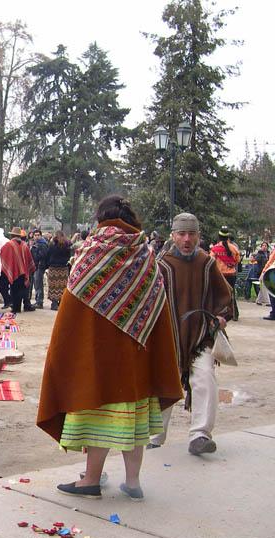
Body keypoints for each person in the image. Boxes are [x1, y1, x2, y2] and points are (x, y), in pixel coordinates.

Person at [36, 195, 182, 500]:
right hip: (136, 361)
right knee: (134, 423)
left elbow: (71, 310)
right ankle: (133, 482)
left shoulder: (93, 252)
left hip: (97, 358)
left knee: (97, 417)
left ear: (101, 219)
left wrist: (65, 353)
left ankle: (90, 480)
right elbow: (158, 309)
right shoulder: (145, 255)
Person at [148, 213, 234, 455]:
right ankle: (154, 437)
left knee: (205, 378)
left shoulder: (207, 264)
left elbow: (225, 297)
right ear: (173, 235)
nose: (187, 239)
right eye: (182, 234)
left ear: (198, 236)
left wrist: (221, 316)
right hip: (168, 338)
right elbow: (147, 301)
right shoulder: (161, 265)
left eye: (192, 234)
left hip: (200, 337)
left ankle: (200, 435)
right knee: (163, 385)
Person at [0, 227, 35, 313]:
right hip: (23, 271)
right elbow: (29, 259)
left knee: (4, 285)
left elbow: (2, 253)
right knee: (19, 289)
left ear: (12, 235)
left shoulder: (8, 245)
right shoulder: (25, 245)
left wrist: (8, 267)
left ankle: (10, 302)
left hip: (11, 270)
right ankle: (16, 307)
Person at [210, 226, 241, 320]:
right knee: (231, 294)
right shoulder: (234, 248)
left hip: (220, 275)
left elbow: (211, 261)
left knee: (218, 295)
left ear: (219, 237)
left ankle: (219, 314)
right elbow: (237, 260)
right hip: (231, 275)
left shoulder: (214, 249)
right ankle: (235, 314)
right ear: (228, 237)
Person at [46, 231, 72, 311]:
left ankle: (54, 303)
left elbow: (48, 255)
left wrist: (47, 265)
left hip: (53, 268)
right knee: (62, 287)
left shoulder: (51, 245)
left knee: (53, 286)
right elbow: (69, 256)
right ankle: (61, 303)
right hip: (63, 269)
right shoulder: (66, 246)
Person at [29, 229, 48, 309]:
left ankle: (39, 302)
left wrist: (33, 252)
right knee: (37, 284)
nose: (36, 236)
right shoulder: (36, 243)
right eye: (35, 235)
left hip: (40, 266)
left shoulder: (42, 244)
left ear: (40, 235)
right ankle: (38, 301)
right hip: (37, 266)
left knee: (38, 284)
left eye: (38, 235)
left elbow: (42, 255)